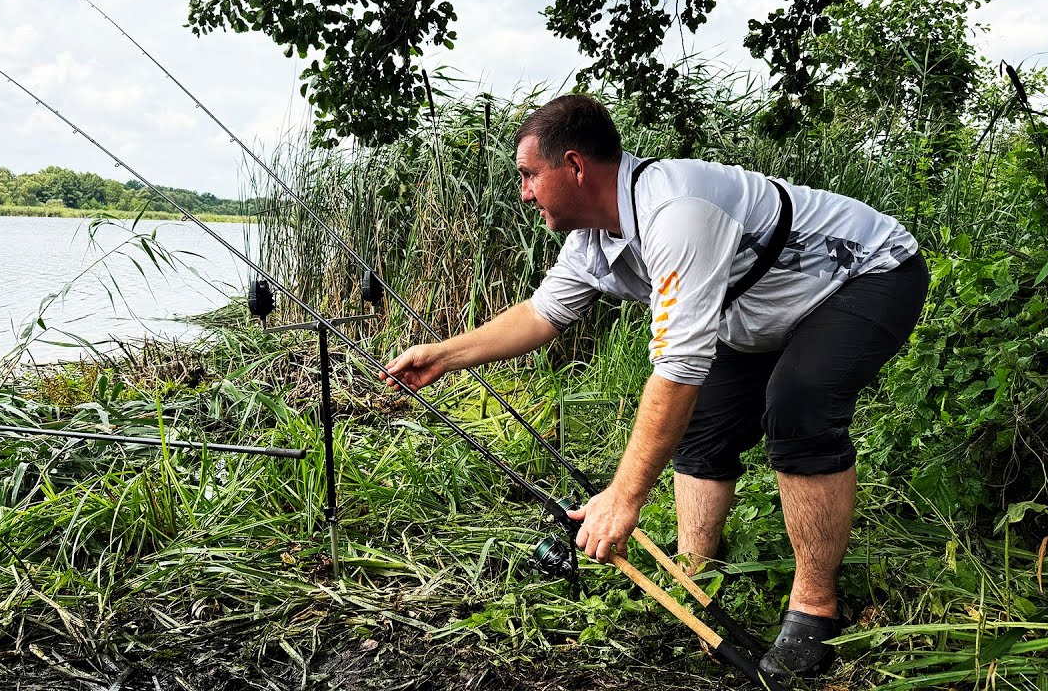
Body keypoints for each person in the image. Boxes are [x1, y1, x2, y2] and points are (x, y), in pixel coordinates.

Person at [380, 94, 928, 680]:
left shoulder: (677, 212)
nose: (524, 193)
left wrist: (624, 497)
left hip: (865, 275)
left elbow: (678, 366)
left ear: (575, 166)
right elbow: (542, 314)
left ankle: (814, 612)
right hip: (759, 314)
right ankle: (694, 577)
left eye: (529, 175)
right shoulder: (594, 238)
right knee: (703, 423)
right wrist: (445, 355)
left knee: (797, 406)